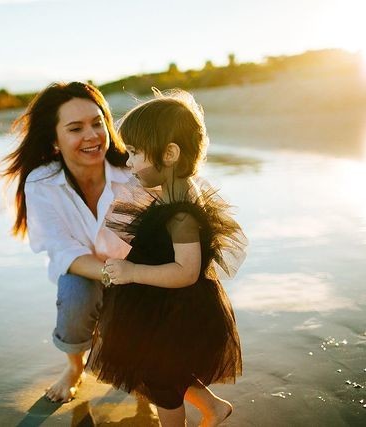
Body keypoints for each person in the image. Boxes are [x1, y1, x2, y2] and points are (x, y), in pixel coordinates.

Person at [86, 89, 247, 426]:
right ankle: (214, 407)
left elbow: (186, 271)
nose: (128, 162)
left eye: (135, 153)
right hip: (159, 306)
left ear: (170, 154)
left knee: (162, 381)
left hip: (176, 312)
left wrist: (132, 271)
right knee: (165, 370)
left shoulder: (182, 214)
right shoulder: (168, 194)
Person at [0, 82, 132, 403]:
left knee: (138, 368)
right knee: (75, 292)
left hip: (138, 269)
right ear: (54, 141)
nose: (92, 135)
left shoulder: (131, 171)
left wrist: (139, 276)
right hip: (89, 272)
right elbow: (62, 250)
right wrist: (113, 275)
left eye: (97, 123)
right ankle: (74, 367)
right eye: (76, 128)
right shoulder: (42, 183)